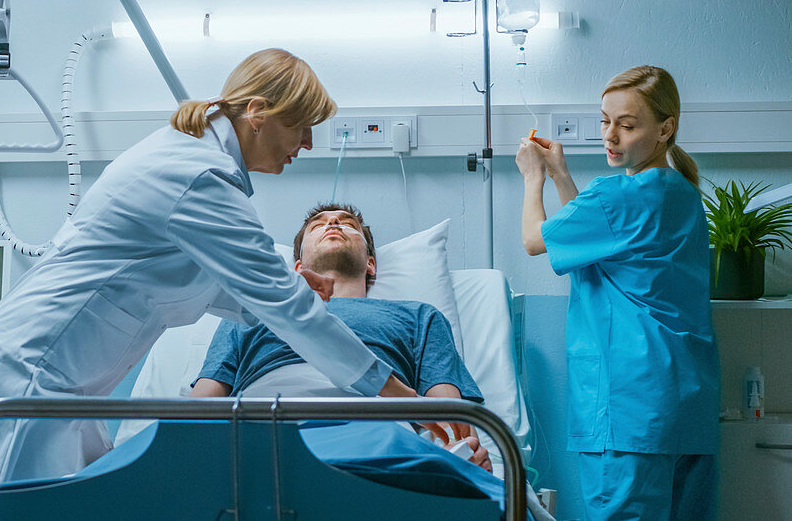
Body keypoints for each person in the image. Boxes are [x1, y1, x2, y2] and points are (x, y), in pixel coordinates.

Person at [0, 49, 419, 494]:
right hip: (38, 368)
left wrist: (273, 290)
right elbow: (291, 314)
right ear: (258, 112)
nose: (307, 144)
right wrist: (400, 400)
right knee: (21, 512)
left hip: (65, 375)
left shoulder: (193, 162)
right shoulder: (198, 176)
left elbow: (176, 276)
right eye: (301, 127)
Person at [515, 66, 718, 520]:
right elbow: (600, 242)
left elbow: (535, 240)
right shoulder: (682, 193)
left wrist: (533, 178)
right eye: (605, 121)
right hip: (684, 407)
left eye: (627, 126)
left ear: (666, 129)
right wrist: (562, 176)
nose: (611, 135)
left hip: (627, 409)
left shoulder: (618, 196)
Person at [191, 203, 492, 472]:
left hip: (376, 426)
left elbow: (450, 419)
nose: (333, 223)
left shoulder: (418, 316)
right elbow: (200, 407)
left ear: (371, 263)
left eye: (347, 222)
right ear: (298, 268)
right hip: (263, 417)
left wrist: (463, 454)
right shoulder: (253, 310)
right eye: (318, 224)